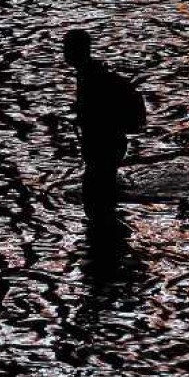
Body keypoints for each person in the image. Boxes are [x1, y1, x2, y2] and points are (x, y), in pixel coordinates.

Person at [63, 29, 146, 251]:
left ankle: (106, 243)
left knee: (97, 197)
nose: (64, 53)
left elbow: (98, 114)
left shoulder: (91, 77)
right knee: (100, 193)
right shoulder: (89, 74)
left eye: (67, 48)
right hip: (109, 144)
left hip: (105, 145)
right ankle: (109, 240)